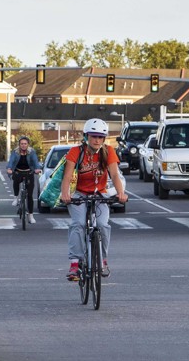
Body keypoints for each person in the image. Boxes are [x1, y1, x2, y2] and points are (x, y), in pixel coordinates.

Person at [60, 118, 128, 281]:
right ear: (86, 136)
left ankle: (102, 261)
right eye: (93, 136)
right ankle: (75, 264)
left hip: (100, 195)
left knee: (103, 225)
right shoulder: (76, 152)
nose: (97, 140)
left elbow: (115, 175)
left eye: (100, 137)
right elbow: (67, 177)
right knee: (79, 224)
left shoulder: (108, 151)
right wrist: (65, 194)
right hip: (80, 194)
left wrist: (120, 193)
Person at [6, 136, 42, 224]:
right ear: (19, 144)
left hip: (29, 172)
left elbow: (35, 162)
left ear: (28, 144)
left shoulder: (32, 152)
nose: (23, 145)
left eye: (25, 144)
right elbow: (11, 162)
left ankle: (30, 216)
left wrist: (37, 169)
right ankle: (16, 197)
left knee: (29, 196)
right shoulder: (15, 152)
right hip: (18, 171)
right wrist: (9, 169)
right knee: (16, 179)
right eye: (21, 144)